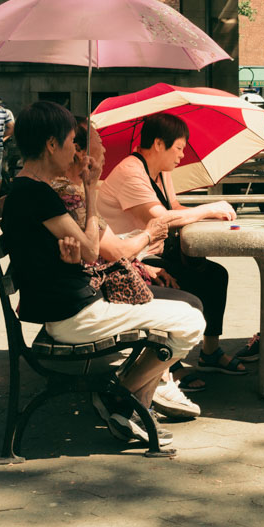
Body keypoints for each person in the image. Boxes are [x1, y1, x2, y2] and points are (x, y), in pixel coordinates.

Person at [1, 101, 204, 445]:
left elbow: (78, 250)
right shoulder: (39, 194)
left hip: (68, 306)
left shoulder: (28, 189)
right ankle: (121, 396)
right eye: (71, 142)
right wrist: (92, 190)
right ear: (51, 144)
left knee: (182, 313)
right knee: (191, 321)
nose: (74, 151)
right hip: (75, 315)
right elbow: (92, 250)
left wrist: (71, 254)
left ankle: (134, 407)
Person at [52, 118, 202, 419]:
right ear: (77, 150)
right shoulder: (68, 194)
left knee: (192, 291)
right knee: (191, 310)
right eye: (99, 143)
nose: (105, 150)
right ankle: (125, 394)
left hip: (85, 291)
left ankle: (139, 401)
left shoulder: (72, 190)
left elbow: (99, 249)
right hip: (81, 304)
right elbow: (100, 250)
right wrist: (148, 236)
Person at [97, 112, 242, 383]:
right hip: (132, 260)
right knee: (181, 287)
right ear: (158, 144)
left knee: (215, 275)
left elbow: (173, 207)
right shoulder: (130, 172)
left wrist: (211, 214)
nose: (182, 156)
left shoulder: (162, 172)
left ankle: (210, 353)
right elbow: (160, 218)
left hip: (155, 251)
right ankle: (165, 365)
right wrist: (209, 209)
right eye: (178, 148)